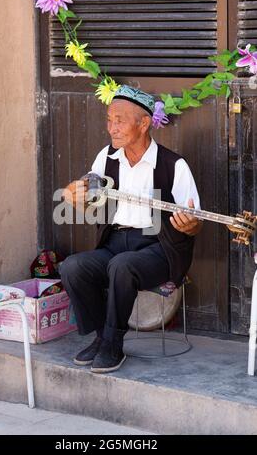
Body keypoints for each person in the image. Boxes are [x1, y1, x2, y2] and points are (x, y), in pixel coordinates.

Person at [60, 85, 203, 374]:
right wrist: (72, 196)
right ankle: (102, 337)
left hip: (159, 248)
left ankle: (113, 343)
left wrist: (190, 225)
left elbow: (194, 221)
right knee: (72, 267)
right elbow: (90, 200)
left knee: (122, 267)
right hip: (115, 242)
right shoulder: (107, 158)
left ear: (144, 123)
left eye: (120, 120)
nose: (112, 127)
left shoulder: (174, 165)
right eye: (109, 119)